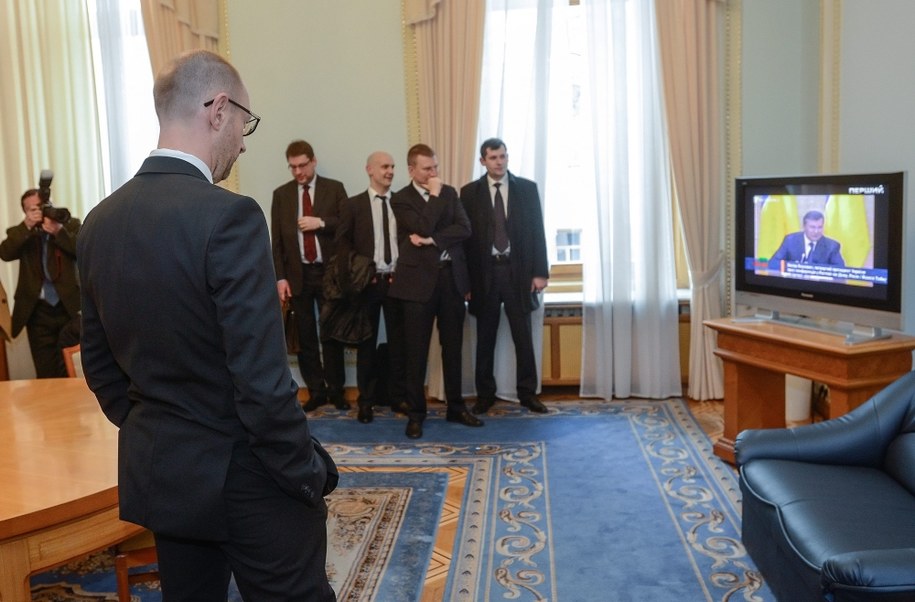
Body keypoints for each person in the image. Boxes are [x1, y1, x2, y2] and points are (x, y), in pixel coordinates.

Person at [77, 50, 338, 602]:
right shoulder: (231, 215)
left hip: (165, 475)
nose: (244, 141)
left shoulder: (98, 222)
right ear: (218, 109)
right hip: (249, 476)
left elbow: (100, 368)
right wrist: (305, 473)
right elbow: (262, 382)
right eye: (245, 121)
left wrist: (165, 432)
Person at [388, 143, 482, 439]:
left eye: (435, 167)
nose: (433, 173)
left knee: (453, 348)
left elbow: (464, 229)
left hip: (451, 281)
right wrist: (436, 197)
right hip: (417, 286)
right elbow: (422, 224)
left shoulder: (450, 192)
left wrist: (432, 242)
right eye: (427, 168)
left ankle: (456, 407)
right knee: (416, 353)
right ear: (412, 170)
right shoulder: (400, 199)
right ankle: (416, 414)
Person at [460, 138, 549, 414]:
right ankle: (485, 394)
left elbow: (537, 232)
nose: (499, 162)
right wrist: (465, 282)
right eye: (493, 157)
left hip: (517, 272)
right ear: (482, 161)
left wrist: (540, 272)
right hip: (484, 275)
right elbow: (464, 241)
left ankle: (527, 393)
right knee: (484, 338)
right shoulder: (469, 193)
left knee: (523, 337)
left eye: (503, 156)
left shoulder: (526, 189)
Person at [272, 140, 348, 412]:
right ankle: (316, 391)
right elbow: (277, 241)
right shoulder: (281, 195)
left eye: (302, 165)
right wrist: (280, 278)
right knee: (305, 337)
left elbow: (347, 227)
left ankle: (337, 391)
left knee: (332, 334)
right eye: (293, 167)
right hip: (297, 275)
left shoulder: (334, 188)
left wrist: (321, 223)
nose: (298, 172)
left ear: (313, 161)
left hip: (329, 274)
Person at [336, 151, 406, 424]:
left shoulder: (402, 203)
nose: (390, 171)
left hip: (398, 284)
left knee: (400, 344)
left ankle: (399, 396)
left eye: (393, 166)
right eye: (385, 166)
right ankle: (365, 402)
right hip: (368, 285)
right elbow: (343, 247)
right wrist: (349, 285)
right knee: (366, 345)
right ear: (370, 170)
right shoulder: (353, 205)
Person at [0, 188, 80, 377]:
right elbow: (5, 253)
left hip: (68, 308)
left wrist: (59, 232)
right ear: (25, 212)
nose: (40, 211)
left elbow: (81, 250)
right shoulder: (21, 232)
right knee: (45, 369)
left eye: (43, 206)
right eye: (32, 209)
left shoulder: (70, 225)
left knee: (72, 368)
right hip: (38, 312)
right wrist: (27, 227)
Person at [768, 210, 845, 268]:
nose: (816, 231)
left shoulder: (832, 246)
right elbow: (773, 263)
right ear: (804, 226)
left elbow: (840, 271)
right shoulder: (790, 240)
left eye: (820, 227)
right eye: (812, 227)